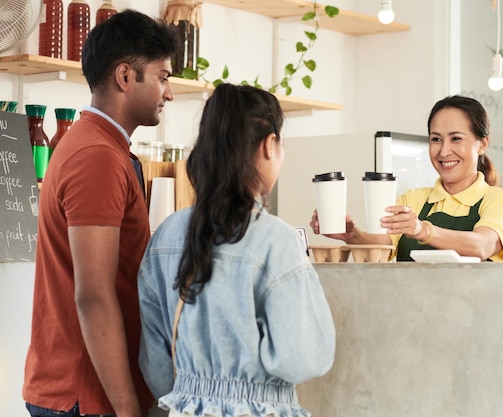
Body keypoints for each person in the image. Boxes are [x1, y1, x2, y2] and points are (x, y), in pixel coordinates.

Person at [137, 83, 336, 417]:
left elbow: (155, 361)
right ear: (269, 145)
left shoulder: (167, 235)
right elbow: (302, 358)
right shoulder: (276, 240)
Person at [22, 10, 178, 417]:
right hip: (86, 394)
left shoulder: (98, 146)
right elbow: (94, 297)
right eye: (162, 77)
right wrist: (128, 410)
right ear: (126, 77)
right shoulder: (98, 157)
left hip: (81, 390)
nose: (170, 92)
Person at [310, 95, 503, 262]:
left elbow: (481, 246)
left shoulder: (501, 200)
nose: (444, 151)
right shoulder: (412, 199)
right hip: (410, 311)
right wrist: (351, 235)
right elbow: (382, 245)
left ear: (482, 144)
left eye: (456, 139)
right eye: (436, 139)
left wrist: (421, 230)